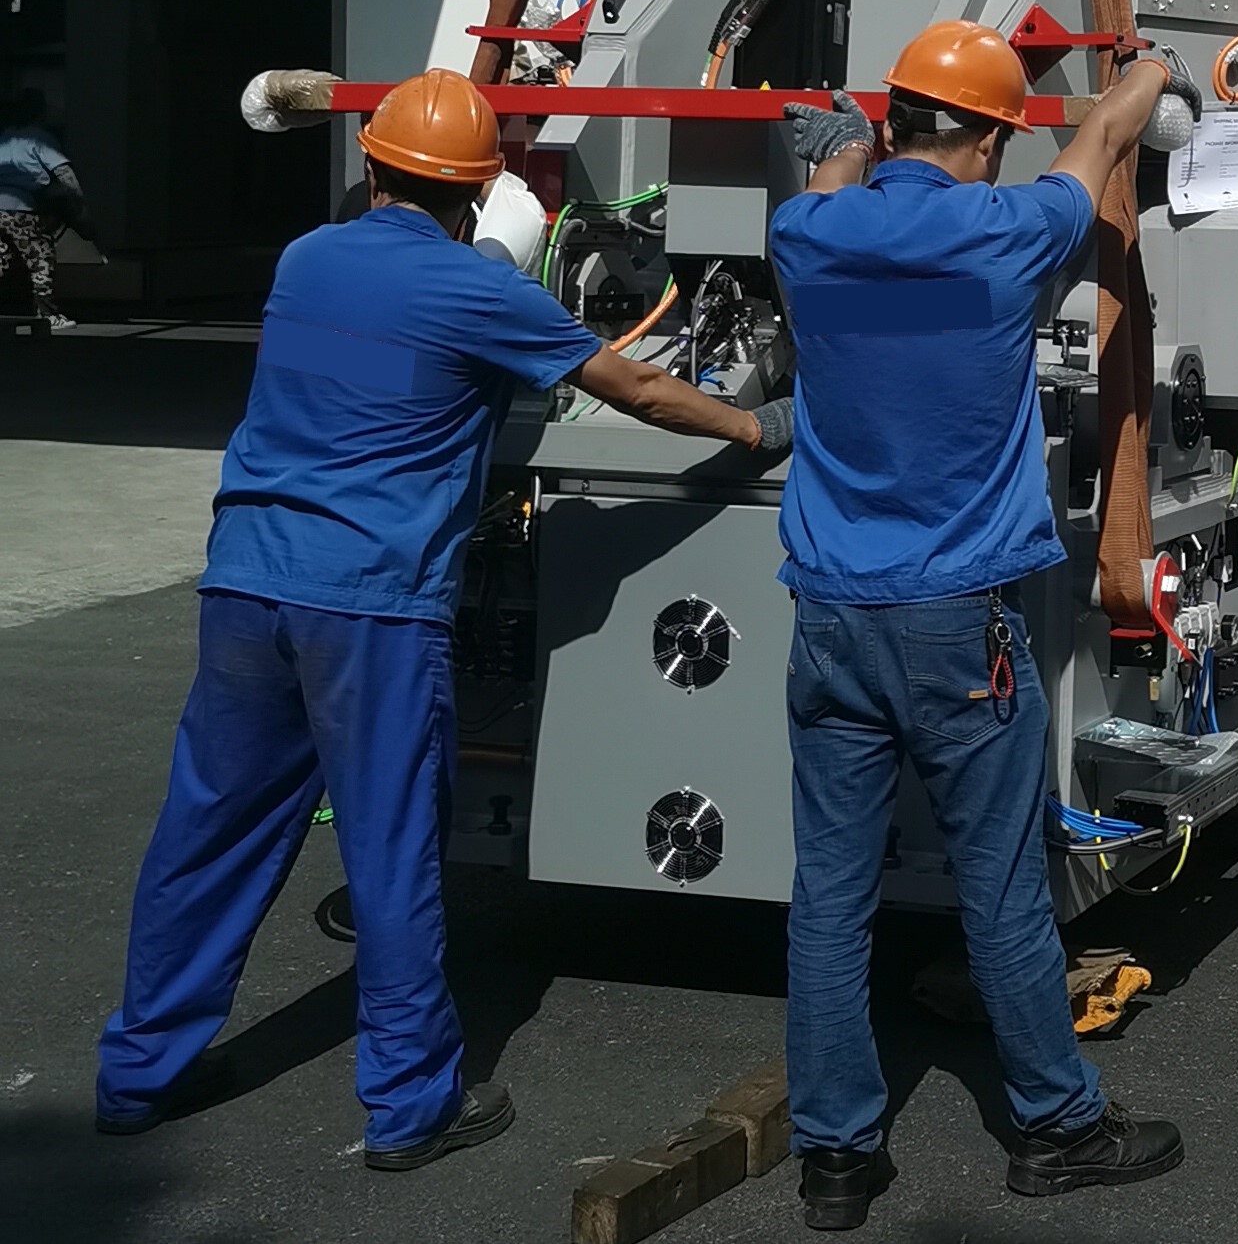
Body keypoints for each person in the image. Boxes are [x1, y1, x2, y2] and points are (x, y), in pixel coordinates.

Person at [96, 69, 788, 1169]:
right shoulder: (481, 290)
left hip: (247, 583)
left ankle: (141, 1071)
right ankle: (412, 1102)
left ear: (371, 166)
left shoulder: (306, 258)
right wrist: (756, 429)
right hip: (368, 606)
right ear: (476, 192)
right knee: (390, 850)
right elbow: (641, 391)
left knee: (210, 832)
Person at [770, 19, 1187, 1232]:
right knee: (1000, 889)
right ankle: (1058, 1127)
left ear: (897, 119)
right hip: (956, 625)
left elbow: (830, 177)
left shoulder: (806, 234)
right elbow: (1104, 137)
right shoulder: (1008, 233)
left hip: (830, 617)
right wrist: (1152, 68)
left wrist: (844, 147)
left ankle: (836, 1159)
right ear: (992, 141)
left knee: (829, 898)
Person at [0, 86, 91, 332]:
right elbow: (64, 172)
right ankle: (47, 313)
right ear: (40, 112)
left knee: (2, 256)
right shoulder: (39, 138)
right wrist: (79, 204)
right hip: (20, 208)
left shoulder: (4, 137)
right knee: (41, 255)